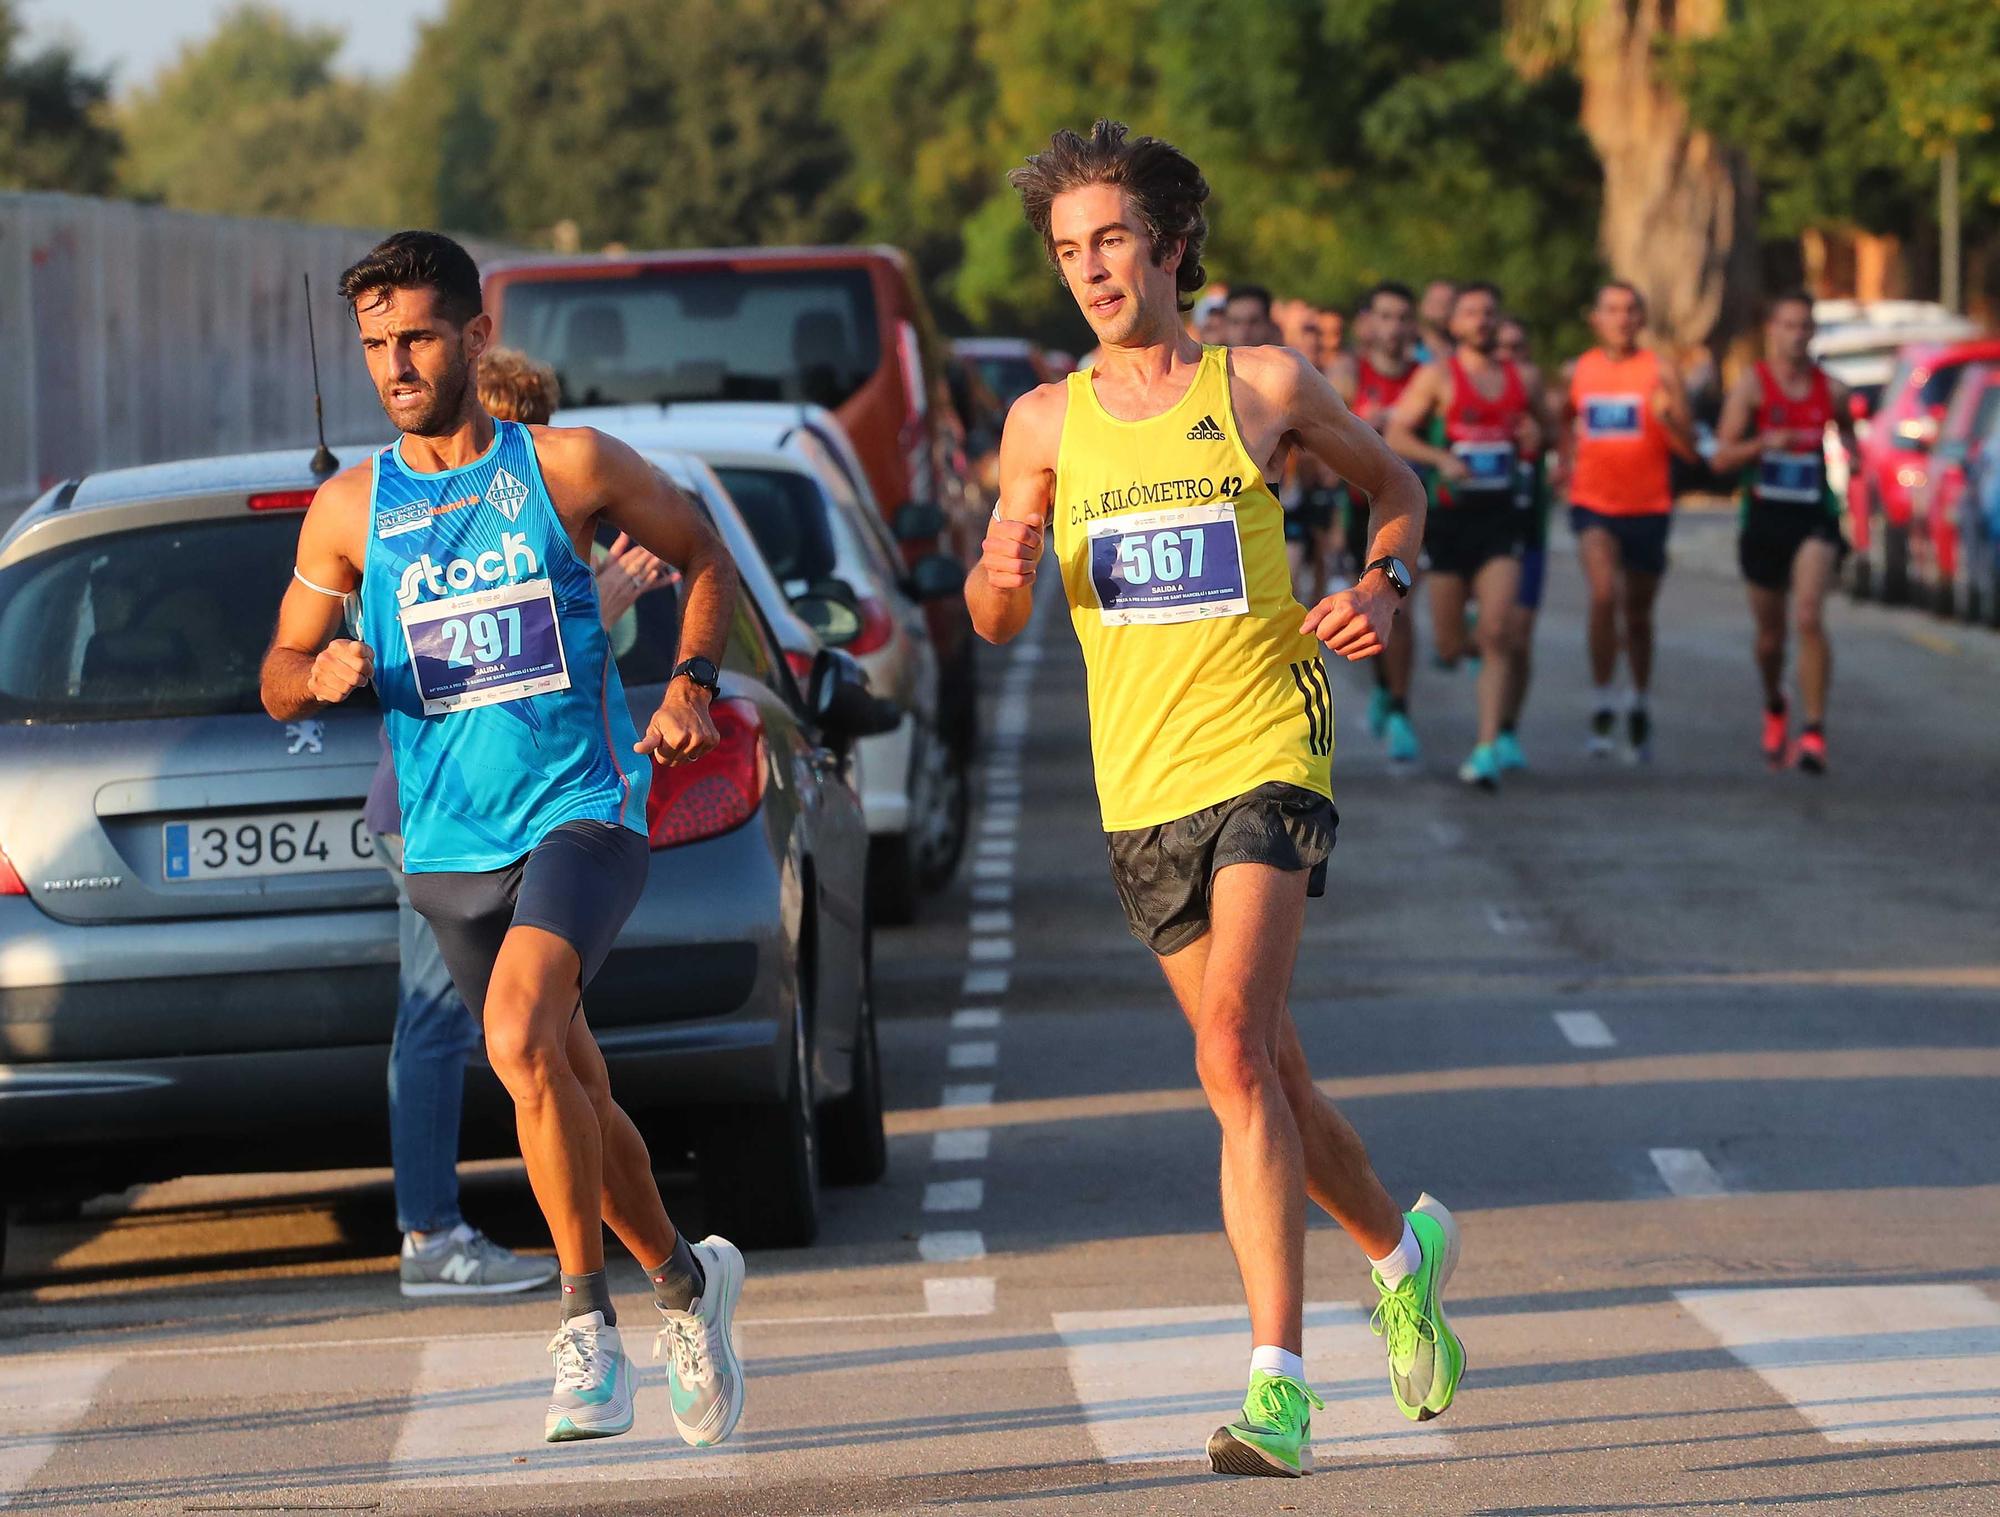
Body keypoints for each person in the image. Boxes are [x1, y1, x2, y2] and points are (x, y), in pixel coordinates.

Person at [972, 121, 1460, 1480]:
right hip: (1140, 788)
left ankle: (1278, 1386)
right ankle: (1398, 1250)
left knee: (1233, 1049)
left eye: (1113, 239)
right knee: (1274, 1077)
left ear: (1173, 244)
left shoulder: (1259, 387)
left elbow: (1399, 488)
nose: (1092, 270)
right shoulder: (1042, 425)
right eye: (1068, 250)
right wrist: (1003, 559)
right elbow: (998, 620)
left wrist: (1383, 584)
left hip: (1267, 746)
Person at [261, 232, 746, 1448]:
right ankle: (686, 1281)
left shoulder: (567, 464)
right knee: (569, 1082)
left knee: (521, 1034)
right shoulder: (350, 510)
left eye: (417, 336)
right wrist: (313, 671)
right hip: (448, 842)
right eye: (374, 345)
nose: (395, 364)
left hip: (582, 806)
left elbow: (702, 555)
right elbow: (272, 671)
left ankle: (586, 1330)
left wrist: (688, 679)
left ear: (477, 336)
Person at [373, 347, 669, 1301]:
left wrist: (595, 602)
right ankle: (429, 1226)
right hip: (443, 825)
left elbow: (555, 664)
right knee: (457, 1026)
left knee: (545, 1052)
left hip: (559, 812)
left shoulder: (550, 491)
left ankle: (653, 1288)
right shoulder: (405, 517)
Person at [1387, 282, 1551, 789]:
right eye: (1471, 313)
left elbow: (1552, 432)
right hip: (1452, 522)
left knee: (1501, 633)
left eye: (1489, 312)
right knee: (1453, 645)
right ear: (1455, 325)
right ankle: (1470, 636)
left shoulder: (1523, 378)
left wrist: (1537, 438)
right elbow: (1396, 433)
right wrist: (1441, 460)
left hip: (1503, 519)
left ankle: (1485, 748)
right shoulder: (1438, 378)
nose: (1481, 320)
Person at [1709, 291, 1857, 772]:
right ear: (1771, 331)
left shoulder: (1831, 390)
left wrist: (1853, 468)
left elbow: (1851, 445)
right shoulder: (1752, 387)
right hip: (1765, 517)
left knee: (1809, 615)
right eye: (1788, 326)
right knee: (1770, 637)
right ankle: (1775, 700)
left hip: (1813, 515)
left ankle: (1814, 731)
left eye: (1804, 327)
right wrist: (1761, 444)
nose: (1797, 336)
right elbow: (1721, 456)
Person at [1558, 281, 1697, 763]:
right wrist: (1562, 464)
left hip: (1649, 507)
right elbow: (1561, 420)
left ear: (1641, 319)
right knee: (1602, 595)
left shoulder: (1661, 371)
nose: (1622, 318)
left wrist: (1668, 419)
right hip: (1593, 504)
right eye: (1612, 310)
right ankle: (1601, 700)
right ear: (1595, 318)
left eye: (1631, 310)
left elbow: (1690, 450)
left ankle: (1637, 700)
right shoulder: (1579, 371)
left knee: (1637, 615)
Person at [1328, 281, 1423, 764]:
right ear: (1368, 323)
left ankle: (1401, 707)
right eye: (1384, 316)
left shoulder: (1427, 377)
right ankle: (1386, 687)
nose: (1393, 327)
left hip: (1412, 508)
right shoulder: (1348, 374)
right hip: (1357, 510)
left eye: (1402, 317)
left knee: (1399, 605)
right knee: (1370, 612)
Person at [1492, 315, 1552, 771]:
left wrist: (1543, 441)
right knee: (1494, 635)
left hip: (1526, 524)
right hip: (1478, 527)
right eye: (1502, 347)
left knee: (1520, 636)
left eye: (1518, 347)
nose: (1509, 356)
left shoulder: (1531, 390)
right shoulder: (1478, 390)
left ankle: (1505, 729)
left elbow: (1558, 434)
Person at [1414, 279, 1457, 364]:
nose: (1440, 310)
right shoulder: (1406, 349)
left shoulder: (1466, 352)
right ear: (1420, 306)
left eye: (1447, 304)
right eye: (1435, 302)